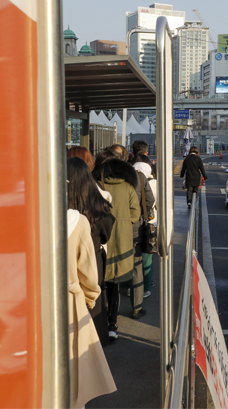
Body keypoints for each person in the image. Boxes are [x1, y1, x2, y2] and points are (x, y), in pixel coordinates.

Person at [65, 207, 117, 407]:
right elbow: (88, 272)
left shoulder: (19, 217)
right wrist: (91, 297)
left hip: (29, 309)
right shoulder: (76, 221)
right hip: (69, 304)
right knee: (71, 374)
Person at [67, 157, 115, 347]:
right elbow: (107, 230)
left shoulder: (54, 207)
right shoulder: (98, 202)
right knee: (93, 322)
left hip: (67, 279)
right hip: (94, 264)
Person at [93, 150, 141, 339]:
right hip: (122, 238)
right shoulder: (128, 187)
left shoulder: (97, 184)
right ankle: (113, 324)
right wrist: (123, 223)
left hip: (100, 237)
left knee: (99, 280)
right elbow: (135, 214)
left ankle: (99, 323)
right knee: (115, 283)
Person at [111, 143, 153, 319]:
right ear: (128, 158)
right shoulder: (139, 177)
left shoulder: (103, 176)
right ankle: (136, 308)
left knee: (111, 266)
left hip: (111, 228)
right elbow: (149, 200)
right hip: (134, 228)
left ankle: (111, 314)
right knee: (137, 267)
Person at [132, 151, 156, 299]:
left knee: (132, 257)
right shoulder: (155, 183)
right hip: (150, 224)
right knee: (147, 257)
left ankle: (130, 287)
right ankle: (146, 287)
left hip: (132, 223)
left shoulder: (129, 180)